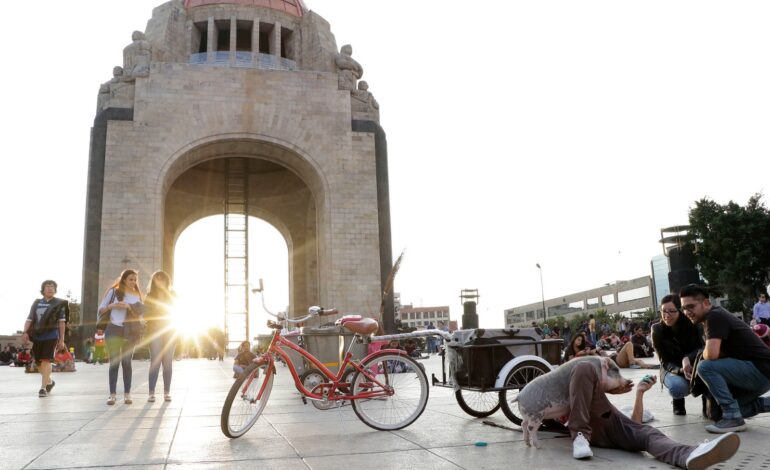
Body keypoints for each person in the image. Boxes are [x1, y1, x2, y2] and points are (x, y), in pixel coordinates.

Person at [567, 359, 740, 468]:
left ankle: (688, 454)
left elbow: (635, 426)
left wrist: (640, 393)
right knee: (583, 367)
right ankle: (580, 435)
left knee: (649, 434)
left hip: (606, 427)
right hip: (586, 429)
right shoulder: (567, 383)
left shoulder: (598, 395)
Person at [680, 284, 770, 433]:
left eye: (691, 306)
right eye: (683, 308)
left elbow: (712, 354)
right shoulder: (711, 317)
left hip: (761, 369)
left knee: (705, 366)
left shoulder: (714, 316)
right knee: (717, 413)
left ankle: (733, 418)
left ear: (706, 303)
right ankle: (756, 407)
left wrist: (704, 355)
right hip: (760, 373)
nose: (687, 312)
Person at [97, 269, 144, 405]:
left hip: (130, 331)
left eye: (135, 280)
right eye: (130, 279)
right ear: (124, 280)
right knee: (114, 362)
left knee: (127, 362)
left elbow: (141, 315)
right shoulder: (113, 292)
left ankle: (127, 394)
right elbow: (101, 309)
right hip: (113, 329)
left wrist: (129, 307)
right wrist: (112, 305)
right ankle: (112, 395)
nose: (133, 282)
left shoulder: (137, 295)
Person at [651, 294, 703, 416]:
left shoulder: (694, 324)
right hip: (671, 368)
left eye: (671, 311)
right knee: (678, 387)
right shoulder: (657, 330)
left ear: (680, 311)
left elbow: (702, 347)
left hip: (695, 364)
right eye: (664, 311)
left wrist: (687, 358)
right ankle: (678, 401)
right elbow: (664, 361)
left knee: (709, 372)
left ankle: (708, 401)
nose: (667, 316)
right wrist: (680, 370)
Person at [22, 280, 69, 397]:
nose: (50, 288)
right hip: (37, 336)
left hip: (52, 336)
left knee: (46, 360)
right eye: (47, 286)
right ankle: (49, 382)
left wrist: (61, 339)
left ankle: (43, 388)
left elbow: (62, 323)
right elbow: (30, 319)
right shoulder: (37, 303)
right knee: (38, 363)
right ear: (43, 289)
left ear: (55, 289)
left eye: (52, 286)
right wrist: (25, 332)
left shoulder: (59, 304)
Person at [145, 271, 176, 403]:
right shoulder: (149, 296)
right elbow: (146, 314)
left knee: (168, 363)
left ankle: (166, 392)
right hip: (155, 332)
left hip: (170, 332)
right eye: (157, 279)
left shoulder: (173, 295)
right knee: (155, 363)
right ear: (154, 281)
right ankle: (151, 393)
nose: (160, 282)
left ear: (167, 281)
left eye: (162, 279)